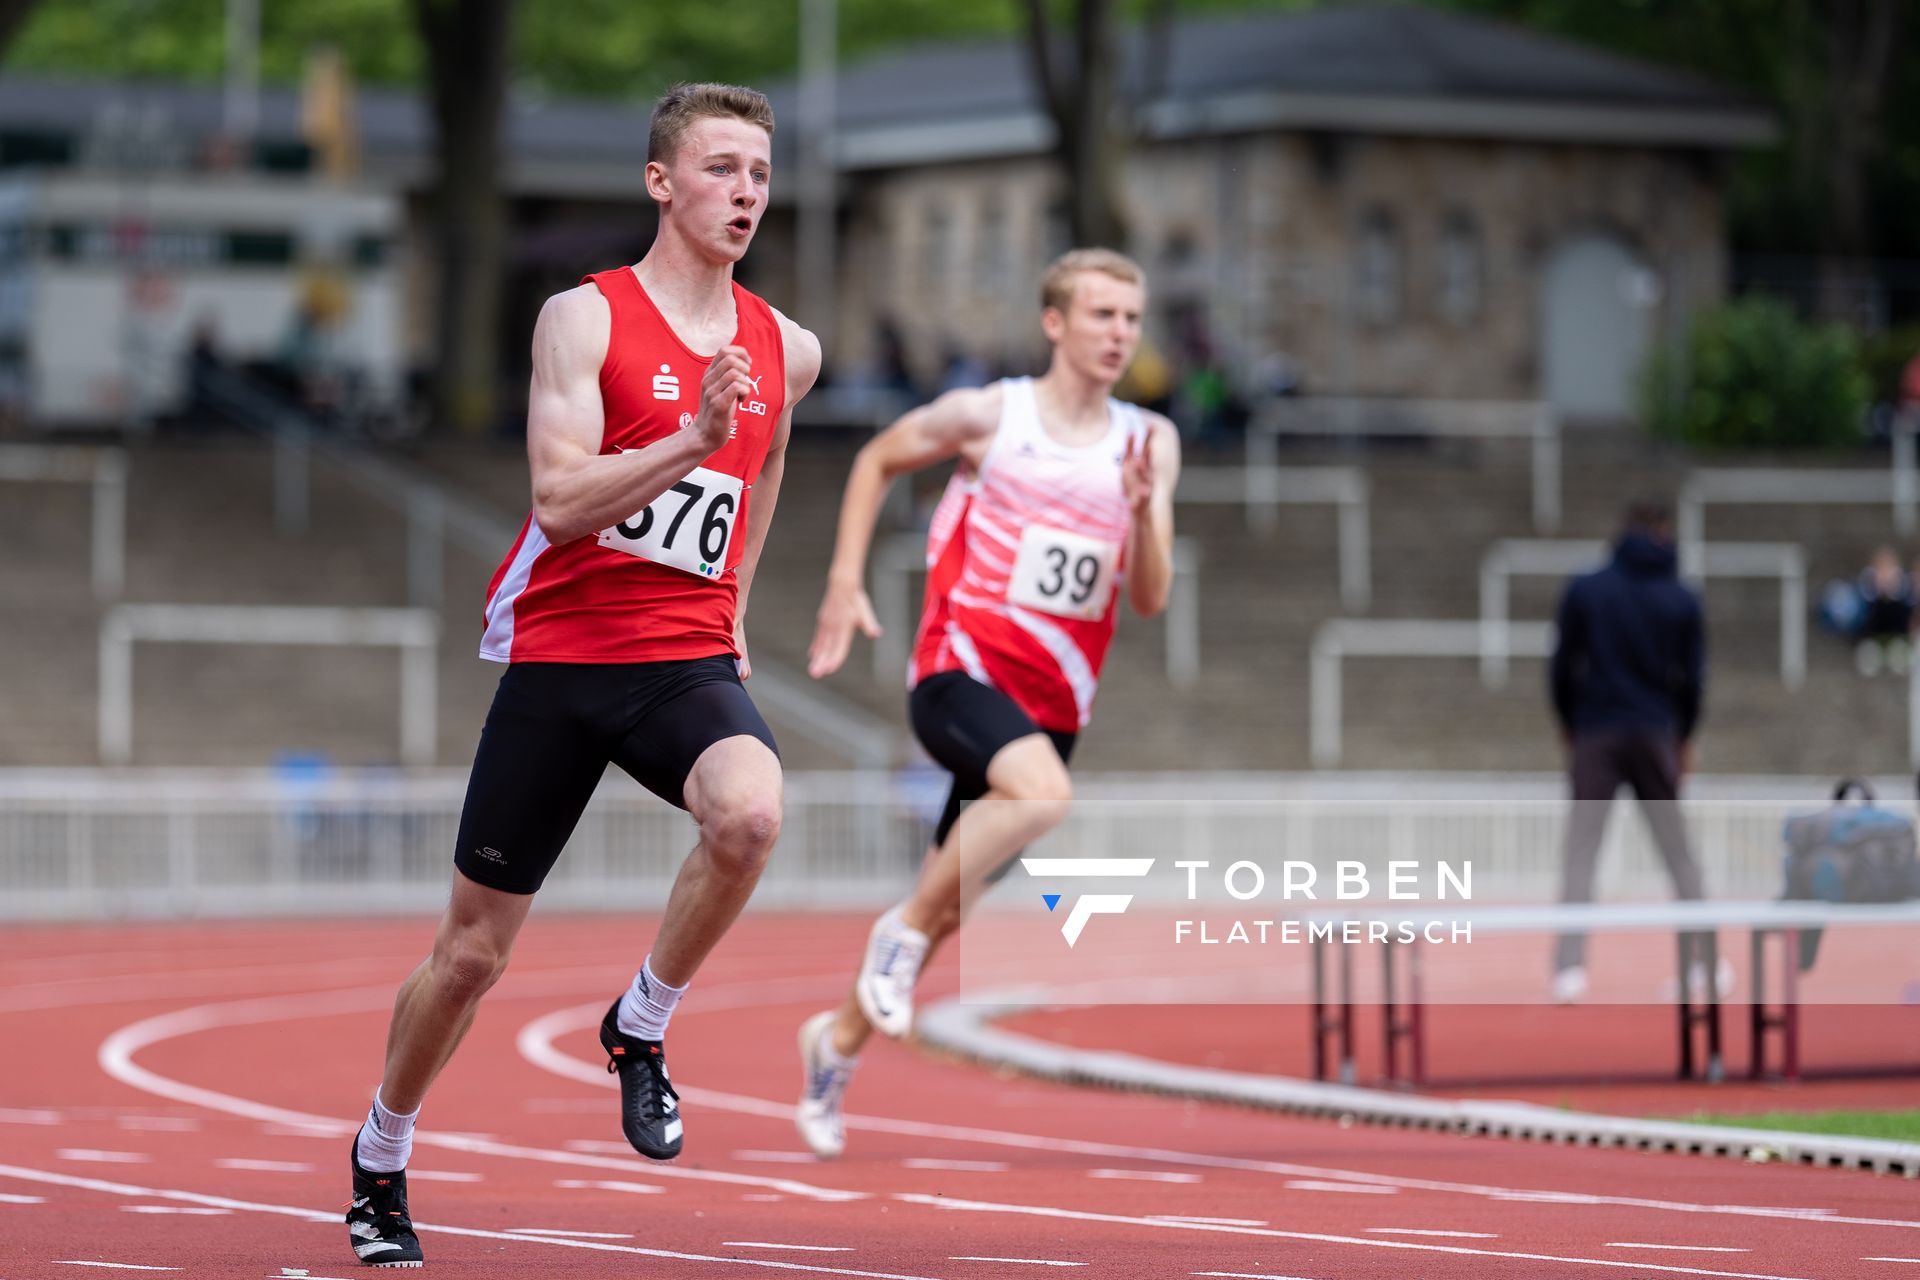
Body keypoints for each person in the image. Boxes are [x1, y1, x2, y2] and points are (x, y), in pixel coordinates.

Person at [343, 83, 819, 1268]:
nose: (746, 191)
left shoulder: (786, 349)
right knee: (470, 954)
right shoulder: (585, 320)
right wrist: (687, 441)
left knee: (752, 813)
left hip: (681, 660)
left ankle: (638, 1022)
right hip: (561, 661)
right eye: (721, 168)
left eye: (760, 171)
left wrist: (738, 607)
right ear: (662, 183)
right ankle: (381, 1155)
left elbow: (759, 483)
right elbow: (557, 505)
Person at [794, 248, 1180, 1159]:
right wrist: (845, 583)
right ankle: (892, 938)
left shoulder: (1149, 442)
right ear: (1056, 322)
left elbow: (1151, 596)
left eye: (1131, 317)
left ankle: (833, 1044)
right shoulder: (990, 416)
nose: (1120, 333)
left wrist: (1142, 516)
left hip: (1054, 706)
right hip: (958, 674)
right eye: (1101, 315)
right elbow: (877, 458)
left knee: (951, 907)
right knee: (1040, 801)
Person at [1548, 500, 1714, 1003]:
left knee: (1581, 852)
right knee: (1678, 853)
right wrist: (1683, 736)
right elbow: (1693, 681)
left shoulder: (1587, 588)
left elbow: (1561, 665)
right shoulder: (1681, 598)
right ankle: (1702, 965)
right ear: (1664, 532)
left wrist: (1570, 723)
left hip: (1596, 730)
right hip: (1653, 731)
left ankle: (1569, 971)